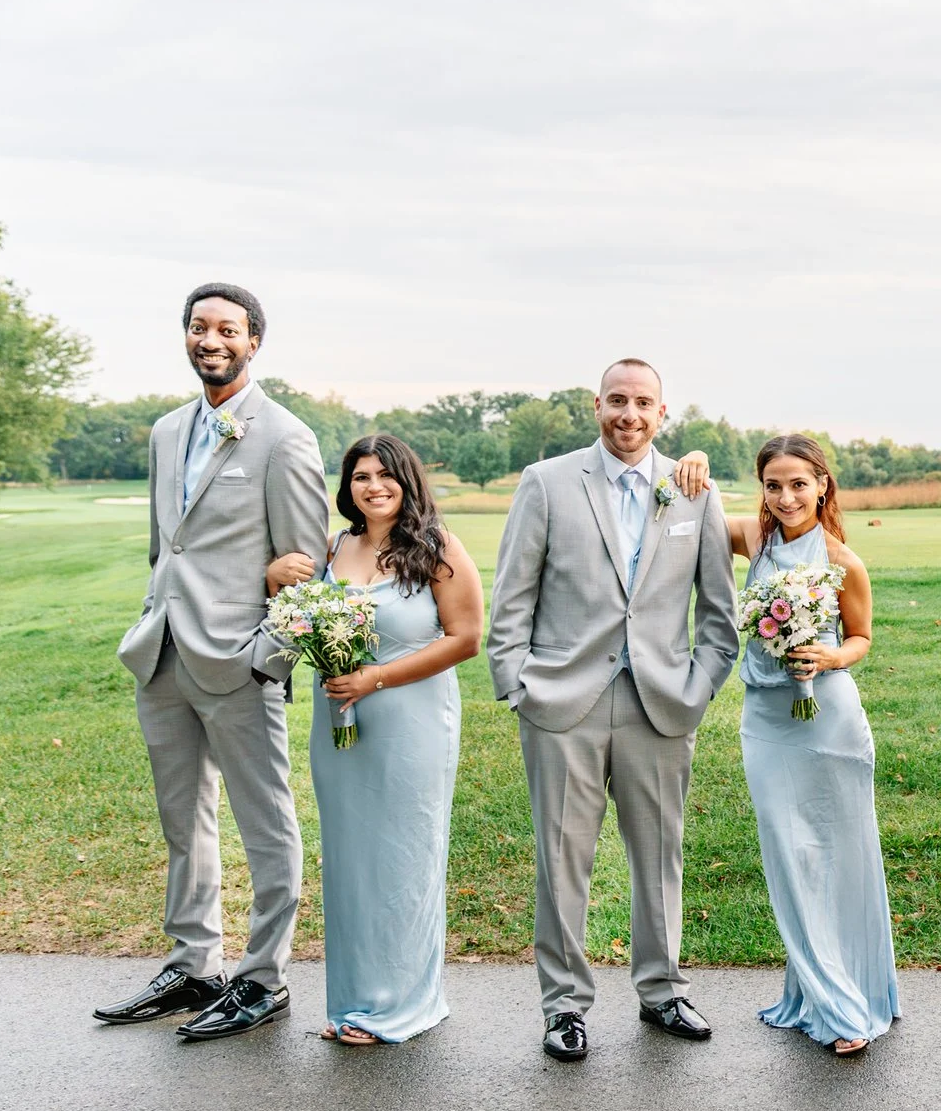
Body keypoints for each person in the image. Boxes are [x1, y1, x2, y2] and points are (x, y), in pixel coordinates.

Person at [487, 358, 740, 1061]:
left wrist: (699, 687)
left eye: (644, 403)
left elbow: (721, 614)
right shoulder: (547, 482)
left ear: (664, 413)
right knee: (563, 860)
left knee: (661, 856)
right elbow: (511, 598)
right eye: (618, 400)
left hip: (660, 703)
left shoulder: (693, 493)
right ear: (596, 405)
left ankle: (662, 990)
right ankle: (564, 1006)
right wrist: (518, 686)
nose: (630, 414)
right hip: (562, 702)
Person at [96, 283, 328, 1042]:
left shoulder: (285, 437)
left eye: (227, 328)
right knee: (182, 819)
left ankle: (264, 976)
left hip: (238, 663)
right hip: (163, 656)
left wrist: (267, 659)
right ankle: (194, 961)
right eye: (199, 326)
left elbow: (307, 571)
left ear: (254, 341)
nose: (210, 339)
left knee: (266, 823)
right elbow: (166, 545)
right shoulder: (167, 431)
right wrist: (149, 619)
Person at [672, 436, 899, 1055]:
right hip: (767, 721)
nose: (787, 496)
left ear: (822, 484)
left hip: (829, 718)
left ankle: (849, 999)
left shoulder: (842, 560)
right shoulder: (757, 539)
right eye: (774, 484)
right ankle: (818, 991)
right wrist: (692, 461)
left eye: (799, 483)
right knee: (790, 855)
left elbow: (862, 638)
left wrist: (828, 656)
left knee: (839, 853)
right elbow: (693, 504)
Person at [262, 434, 481, 1044]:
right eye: (361, 476)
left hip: (411, 720)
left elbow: (465, 638)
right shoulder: (334, 548)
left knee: (405, 856)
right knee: (352, 860)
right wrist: (274, 579)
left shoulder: (436, 548)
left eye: (386, 475)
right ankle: (355, 1002)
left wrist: (375, 678)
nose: (374, 486)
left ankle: (405, 1005)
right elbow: (295, 613)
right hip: (339, 725)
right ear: (347, 487)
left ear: (407, 481)